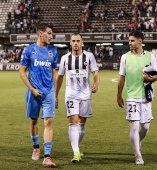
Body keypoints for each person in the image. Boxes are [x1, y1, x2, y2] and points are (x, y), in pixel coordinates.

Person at [117, 30, 157, 165]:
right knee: (134, 127)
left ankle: (137, 142)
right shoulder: (125, 57)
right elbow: (121, 77)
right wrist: (118, 95)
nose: (129, 43)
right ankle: (138, 155)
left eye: (132, 40)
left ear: (140, 41)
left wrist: (150, 78)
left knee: (145, 127)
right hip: (131, 97)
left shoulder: (150, 56)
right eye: (129, 41)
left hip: (146, 96)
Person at [56, 33, 100, 163]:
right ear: (70, 43)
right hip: (71, 94)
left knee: (82, 122)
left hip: (85, 94)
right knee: (73, 121)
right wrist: (56, 95)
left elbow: (95, 72)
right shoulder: (64, 58)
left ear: (82, 43)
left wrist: (96, 83)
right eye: (73, 41)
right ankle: (75, 152)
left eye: (78, 41)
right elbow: (60, 77)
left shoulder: (89, 56)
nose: (75, 43)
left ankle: (77, 147)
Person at [19, 23, 58, 168]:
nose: (51, 36)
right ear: (40, 33)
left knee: (48, 121)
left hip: (48, 92)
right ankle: (36, 147)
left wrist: (55, 93)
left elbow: (53, 73)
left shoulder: (53, 52)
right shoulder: (29, 50)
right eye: (49, 33)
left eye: (51, 34)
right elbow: (22, 71)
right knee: (34, 121)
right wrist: (31, 89)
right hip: (33, 92)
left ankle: (47, 156)